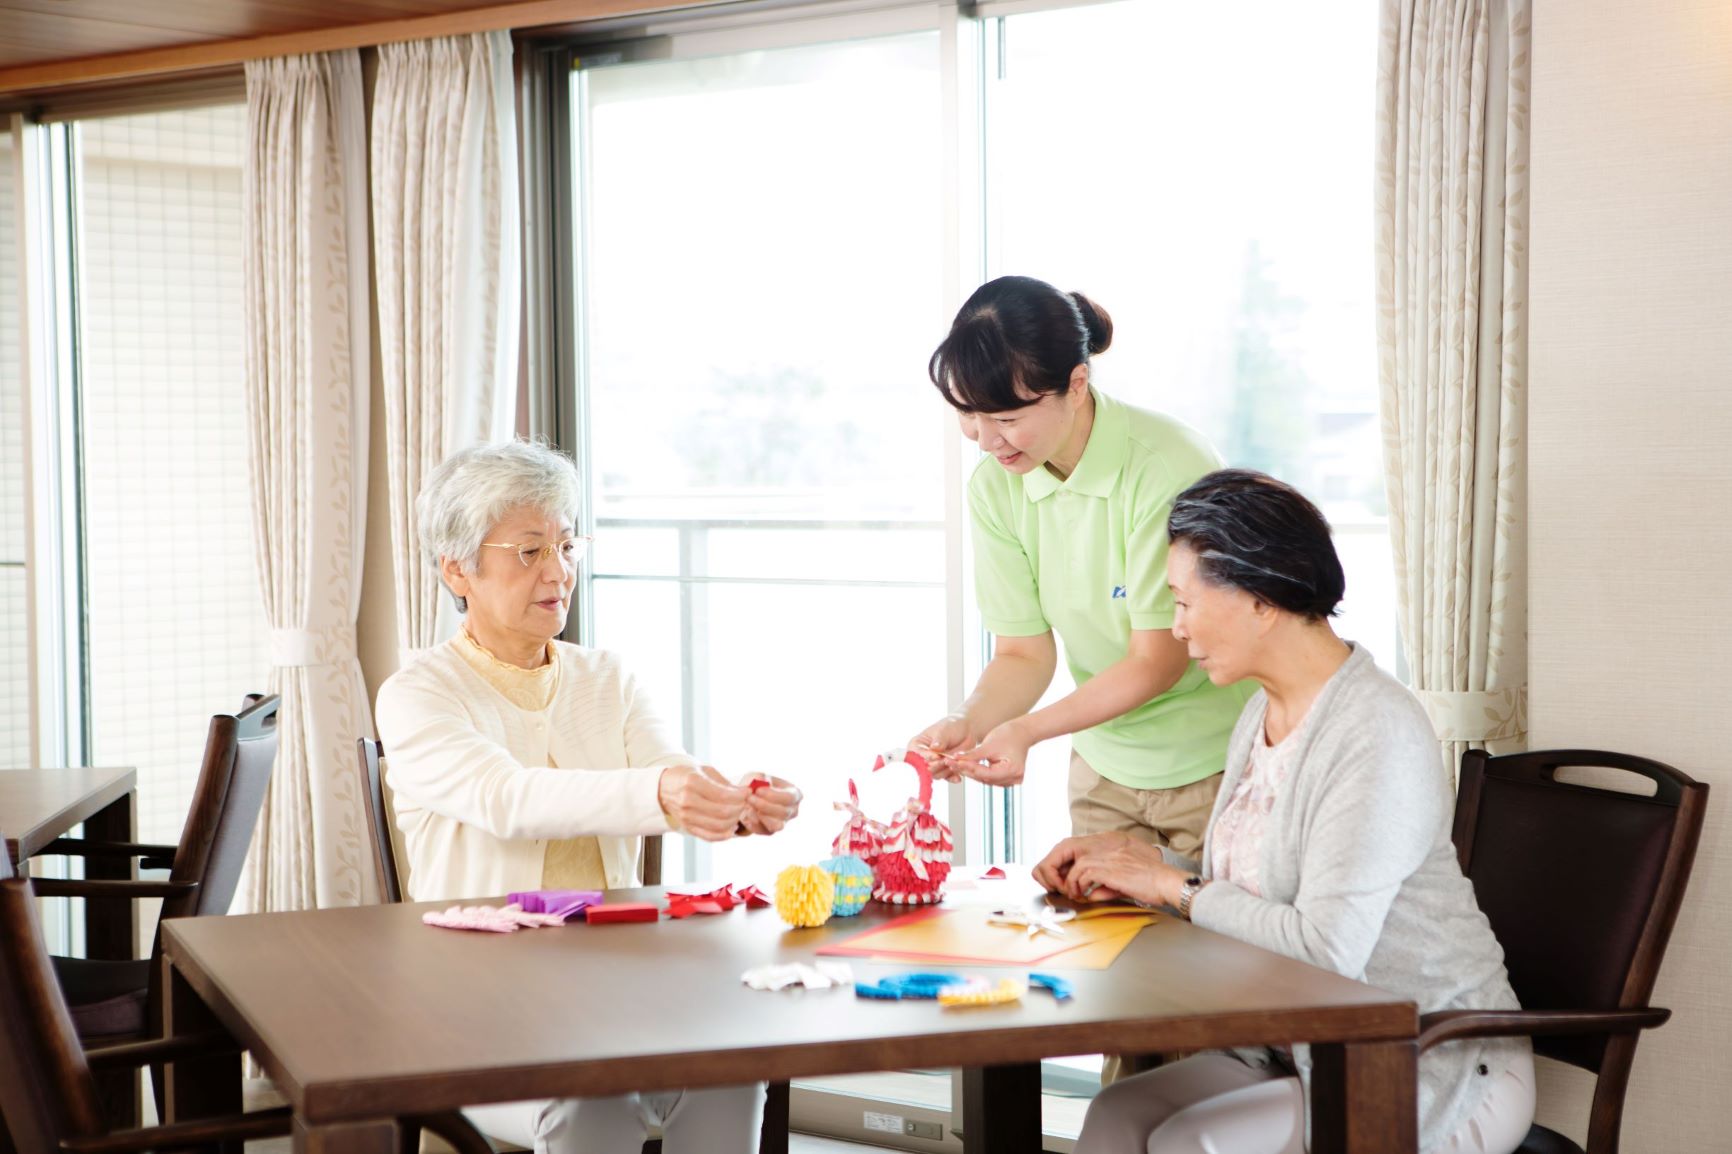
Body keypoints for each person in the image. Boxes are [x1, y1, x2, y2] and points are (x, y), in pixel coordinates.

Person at [1036, 469, 1534, 1154]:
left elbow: (1326, 948)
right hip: (1299, 1048)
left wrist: (1175, 889)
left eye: (1184, 602)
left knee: (1191, 1141)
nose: (1175, 628)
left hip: (1424, 1060)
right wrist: (1144, 866)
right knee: (1118, 1117)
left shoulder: (1374, 730)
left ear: (1260, 598)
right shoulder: (1260, 712)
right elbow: (1256, 891)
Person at [376, 439, 800, 1154]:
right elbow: (508, 797)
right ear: (457, 569)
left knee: (732, 1065)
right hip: (477, 1008)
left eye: (568, 545)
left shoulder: (607, 678)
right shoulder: (419, 693)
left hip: (617, 991)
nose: (560, 572)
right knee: (589, 1091)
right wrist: (665, 793)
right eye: (530, 550)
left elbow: (670, 771)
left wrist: (733, 801)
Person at [913, 275, 1253, 864]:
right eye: (968, 415)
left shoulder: (1166, 466)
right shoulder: (996, 488)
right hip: (1102, 768)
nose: (986, 440)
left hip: (1214, 762)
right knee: (1104, 946)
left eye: (1008, 417)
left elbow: (1159, 658)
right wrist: (970, 721)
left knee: (1214, 947)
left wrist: (1028, 730)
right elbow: (1022, 654)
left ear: (1076, 383)